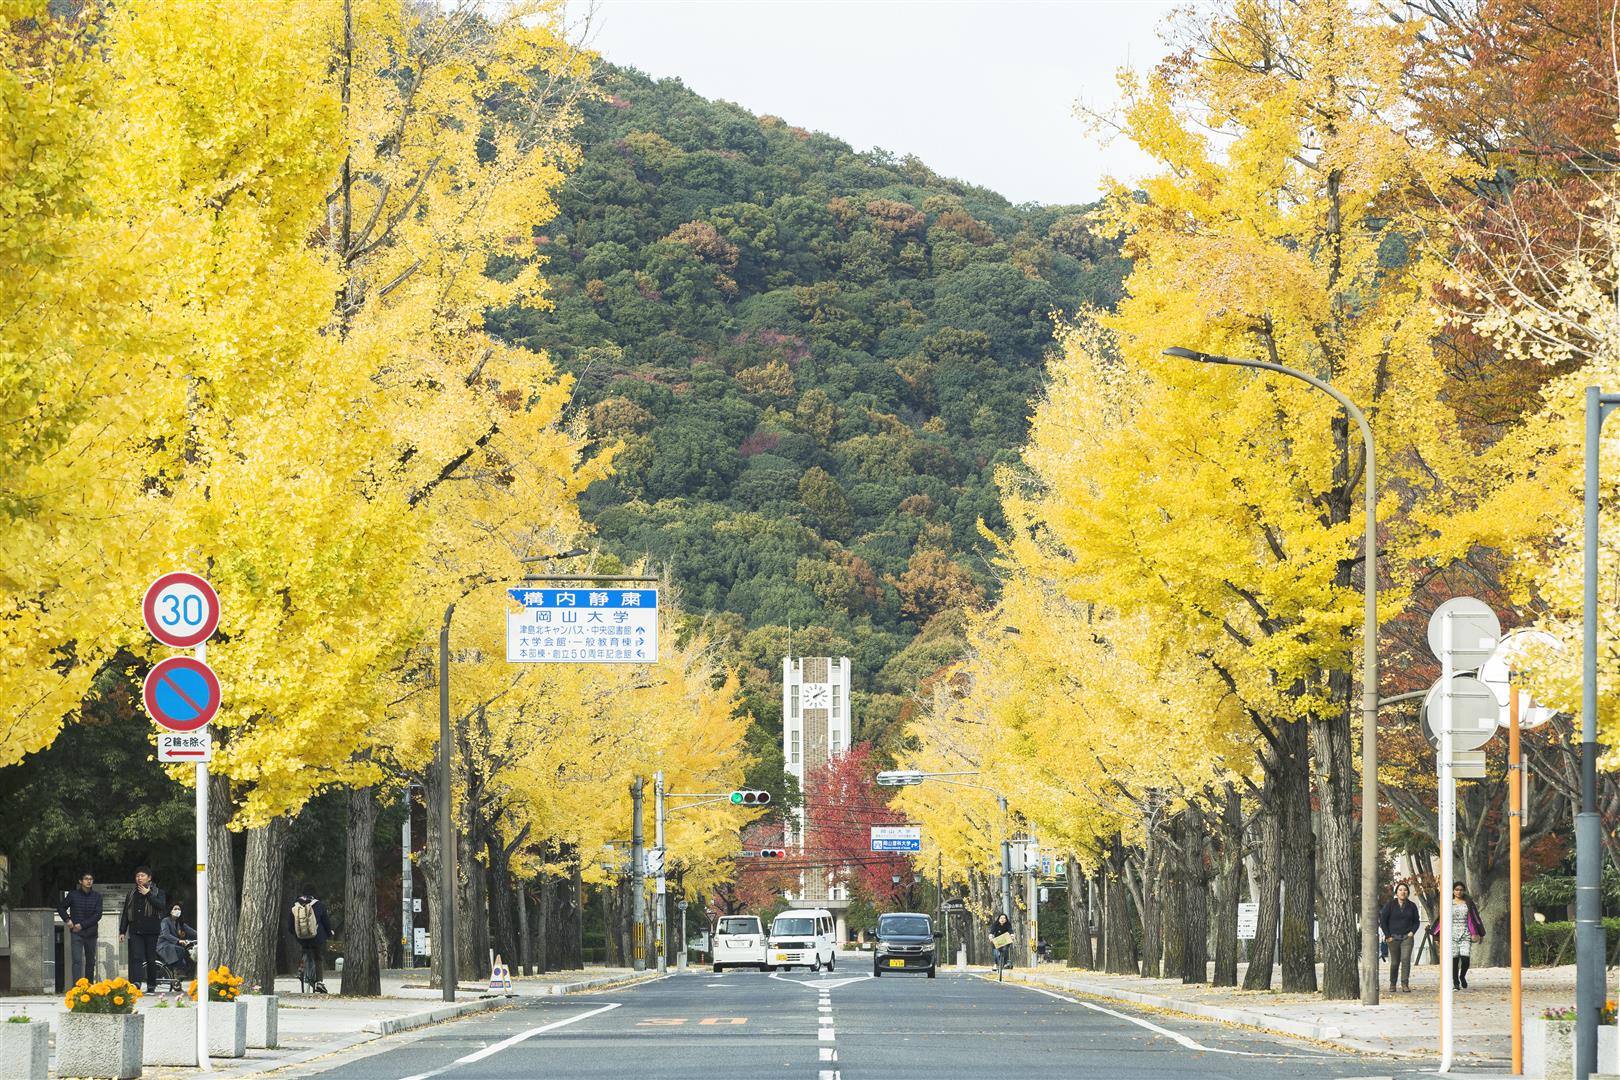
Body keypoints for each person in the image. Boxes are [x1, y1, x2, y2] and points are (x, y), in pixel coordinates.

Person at [1430, 881, 1485, 989]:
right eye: (1456, 890)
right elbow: (1440, 921)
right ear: (1453, 891)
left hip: (1465, 933)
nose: (1459, 892)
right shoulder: (1448, 903)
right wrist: (1437, 936)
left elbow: (1475, 918)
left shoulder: (1468, 902)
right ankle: (1455, 983)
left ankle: (1462, 976)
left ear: (1463, 891)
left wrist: (1479, 933)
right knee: (1454, 959)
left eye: (1461, 890)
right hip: (1451, 934)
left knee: (1465, 958)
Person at [118, 867, 166, 992]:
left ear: (149, 877)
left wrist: (148, 894)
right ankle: (137, 983)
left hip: (152, 930)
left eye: (142, 875)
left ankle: (151, 985)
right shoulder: (132, 893)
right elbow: (126, 913)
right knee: (137, 957)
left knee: (150, 958)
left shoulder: (157, 892)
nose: (139, 878)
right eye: (137, 876)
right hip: (135, 930)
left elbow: (161, 906)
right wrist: (122, 931)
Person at [57, 871, 104, 982]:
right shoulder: (73, 895)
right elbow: (61, 907)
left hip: (91, 933)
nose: (89, 881)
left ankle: (89, 986)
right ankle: (77, 987)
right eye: (86, 879)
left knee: (91, 961)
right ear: (80, 881)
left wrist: (82, 925)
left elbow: (98, 914)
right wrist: (67, 920)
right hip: (76, 933)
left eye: (91, 879)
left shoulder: (97, 896)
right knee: (77, 960)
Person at [288, 884, 334, 993]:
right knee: (318, 957)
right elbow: (326, 922)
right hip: (317, 937)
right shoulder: (319, 905)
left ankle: (301, 970)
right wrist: (329, 933)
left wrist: (297, 935)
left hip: (302, 938)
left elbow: (290, 926)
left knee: (304, 950)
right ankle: (319, 982)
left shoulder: (295, 905)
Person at [1379, 882, 1421, 992]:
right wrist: (1388, 936)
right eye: (1400, 890)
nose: (1403, 892)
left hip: (1407, 937)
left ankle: (1405, 984)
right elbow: (1383, 921)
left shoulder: (1412, 906)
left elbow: (1417, 921)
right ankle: (1392, 983)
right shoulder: (1390, 905)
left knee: (1406, 959)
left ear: (1408, 892)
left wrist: (1412, 932)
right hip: (1393, 938)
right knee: (1394, 962)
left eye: (1405, 890)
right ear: (1396, 892)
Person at [158, 903, 198, 981]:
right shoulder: (165, 921)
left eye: (179, 909)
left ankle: (178, 975)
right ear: (170, 911)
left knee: (188, 955)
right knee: (180, 950)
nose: (177, 911)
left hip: (173, 946)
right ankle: (177, 971)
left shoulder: (180, 923)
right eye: (175, 909)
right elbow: (166, 934)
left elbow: (191, 931)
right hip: (164, 945)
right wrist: (178, 940)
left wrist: (202, 936)